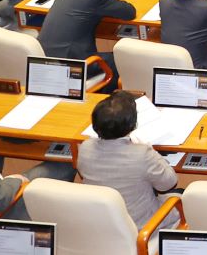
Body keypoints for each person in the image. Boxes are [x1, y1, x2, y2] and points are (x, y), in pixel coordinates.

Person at [78, 92, 181, 228]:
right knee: (184, 194)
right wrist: (152, 152)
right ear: (133, 125)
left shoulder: (85, 148)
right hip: (142, 225)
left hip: (103, 222)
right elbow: (169, 183)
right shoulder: (142, 154)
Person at [38, 0, 134, 88]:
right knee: (123, 60)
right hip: (73, 64)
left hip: (45, 57)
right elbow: (129, 12)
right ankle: (103, 95)